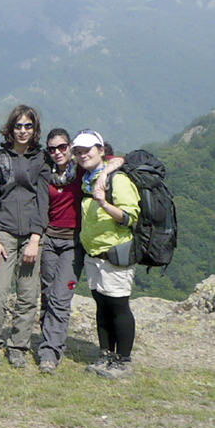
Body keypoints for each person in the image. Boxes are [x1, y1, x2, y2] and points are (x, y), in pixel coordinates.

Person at [38, 129, 122, 375]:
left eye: (62, 147)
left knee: (60, 297)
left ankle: (50, 354)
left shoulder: (82, 171)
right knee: (47, 295)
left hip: (73, 243)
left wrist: (105, 172)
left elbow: (119, 160)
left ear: (70, 148)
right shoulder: (45, 172)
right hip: (49, 240)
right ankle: (49, 342)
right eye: (52, 149)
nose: (57, 152)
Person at [0, 105, 50, 368]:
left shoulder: (41, 160)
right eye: (18, 126)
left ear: (34, 129)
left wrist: (35, 238)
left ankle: (18, 345)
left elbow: (43, 201)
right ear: (11, 128)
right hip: (4, 234)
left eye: (28, 126)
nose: (23, 131)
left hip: (31, 236)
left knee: (28, 294)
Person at [73, 130, 139, 379]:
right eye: (78, 151)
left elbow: (130, 217)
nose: (83, 155)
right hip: (93, 253)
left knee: (119, 306)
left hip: (115, 253)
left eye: (87, 150)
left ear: (101, 150)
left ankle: (123, 360)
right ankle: (105, 355)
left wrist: (104, 204)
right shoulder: (87, 178)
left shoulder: (117, 180)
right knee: (101, 304)